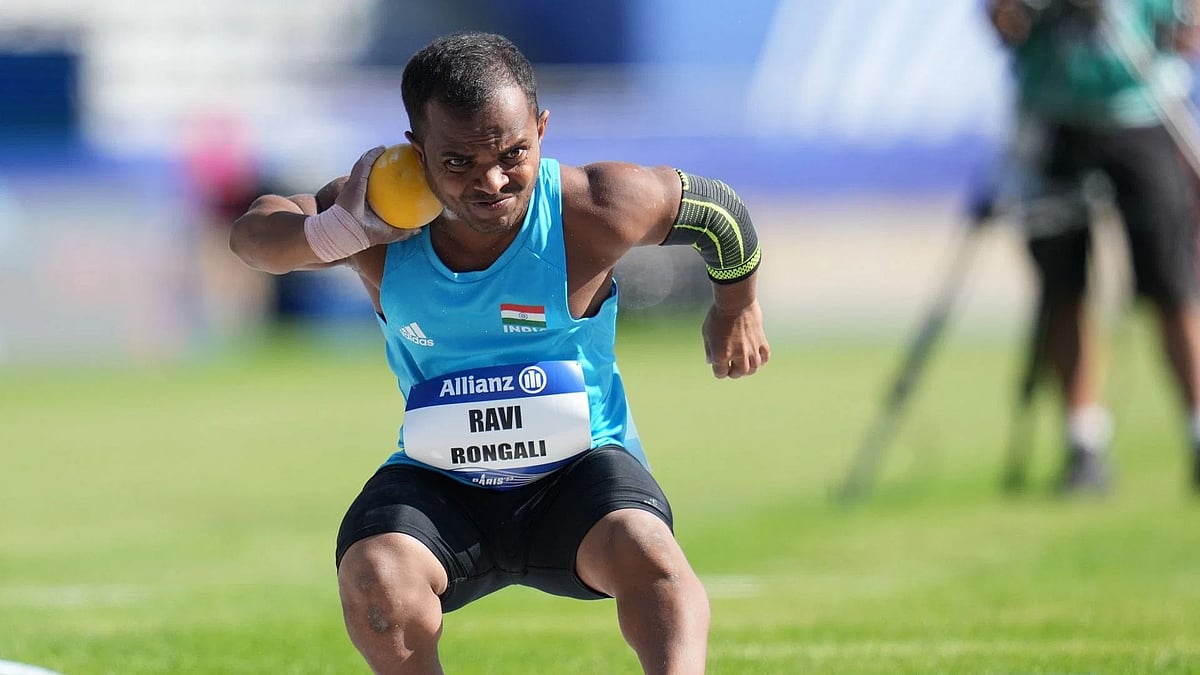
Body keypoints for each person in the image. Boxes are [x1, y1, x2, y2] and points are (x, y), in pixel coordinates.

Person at [228, 31, 769, 674]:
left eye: (514, 153)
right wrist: (334, 232)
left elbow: (719, 212)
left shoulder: (592, 209)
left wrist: (735, 307)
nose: (492, 181)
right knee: (375, 571)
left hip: (580, 471)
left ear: (542, 127)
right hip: (442, 482)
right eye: (457, 161)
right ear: (417, 151)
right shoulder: (374, 223)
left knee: (648, 554)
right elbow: (252, 237)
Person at [986, 0, 1200, 493]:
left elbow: (1183, 27)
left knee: (1173, 283)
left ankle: (1195, 429)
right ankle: (1084, 442)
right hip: (1053, 117)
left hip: (1140, 109)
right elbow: (1002, 22)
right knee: (1063, 289)